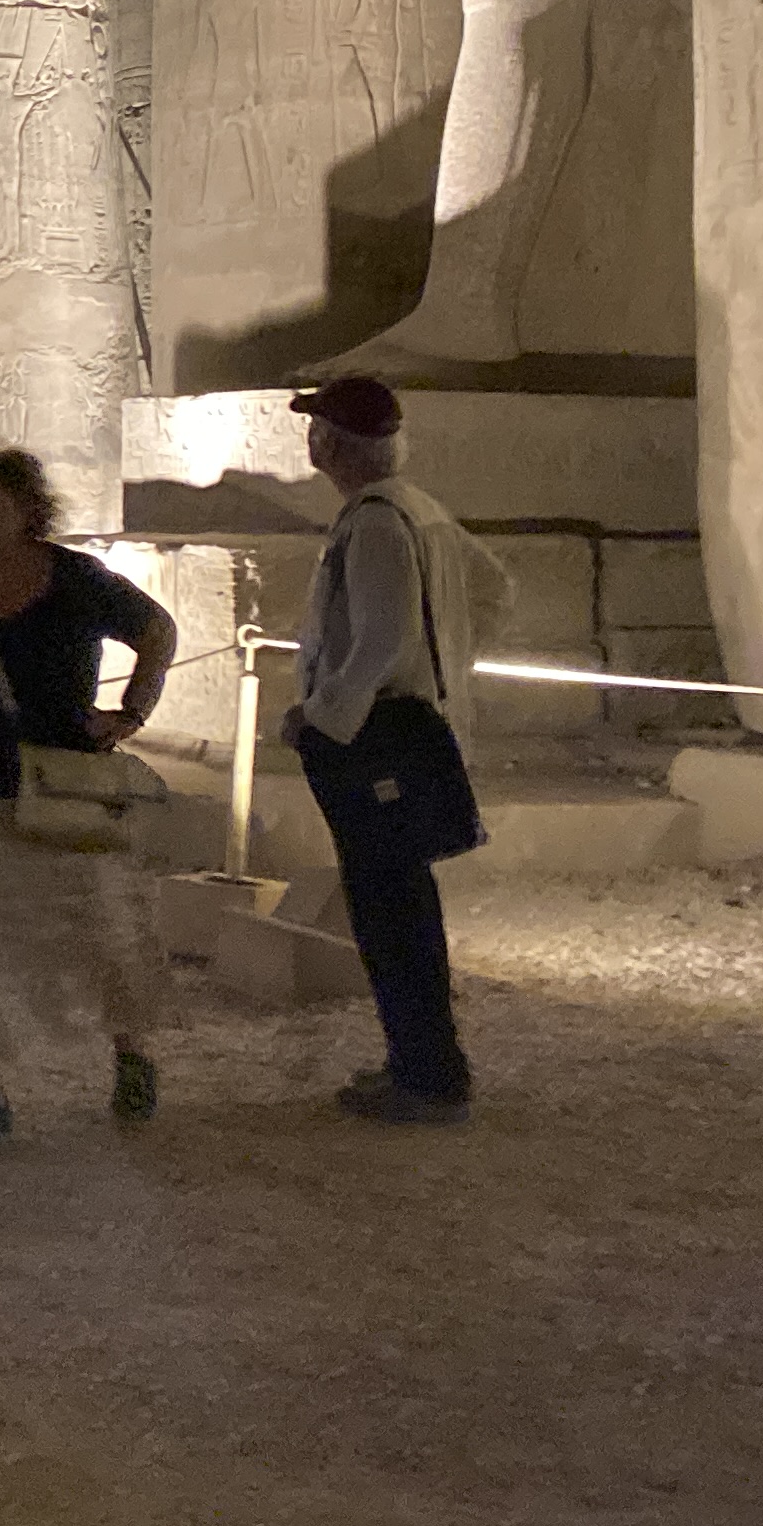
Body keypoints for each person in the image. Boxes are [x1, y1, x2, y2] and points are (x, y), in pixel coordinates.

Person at [0, 450, 181, 1153]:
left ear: (26, 509)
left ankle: (132, 1055)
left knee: (101, 932)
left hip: (63, 785)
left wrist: (131, 712)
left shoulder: (75, 579)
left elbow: (155, 630)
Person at [283, 373, 502, 1127]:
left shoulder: (375, 521)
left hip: (374, 733)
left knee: (388, 909)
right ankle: (423, 1062)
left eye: (316, 427)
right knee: (400, 902)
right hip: (410, 720)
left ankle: (427, 1076)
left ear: (331, 442)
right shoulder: (419, 509)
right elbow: (494, 590)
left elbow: (382, 638)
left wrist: (323, 716)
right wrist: (446, 667)